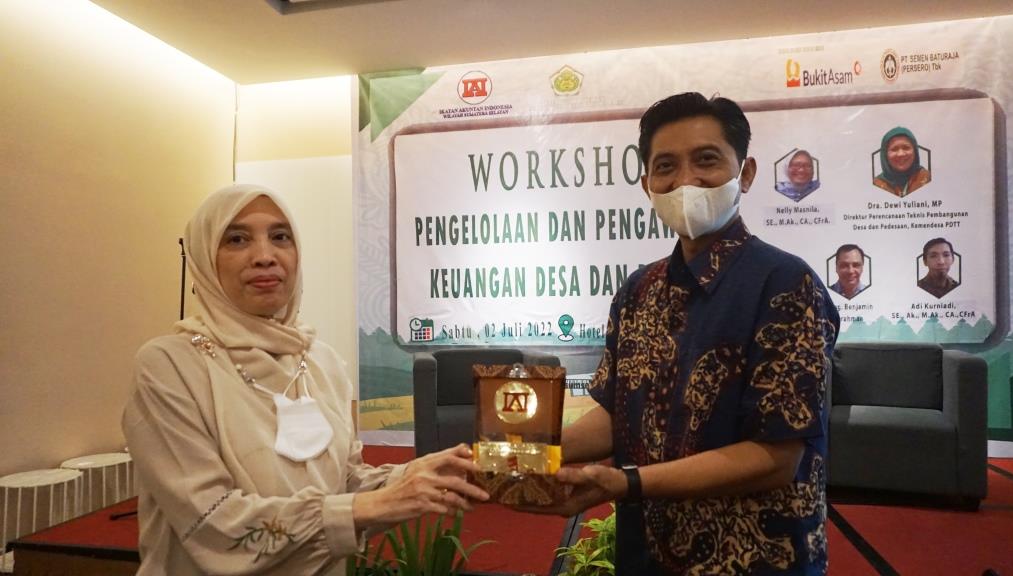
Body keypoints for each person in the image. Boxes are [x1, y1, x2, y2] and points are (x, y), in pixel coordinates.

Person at [524, 93, 839, 574]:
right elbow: (616, 412)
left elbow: (777, 455)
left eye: (706, 160)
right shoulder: (637, 291)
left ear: (746, 173)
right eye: (666, 166)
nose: (686, 180)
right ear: (647, 185)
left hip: (752, 559)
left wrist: (628, 483)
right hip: (646, 553)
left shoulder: (786, 285)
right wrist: (525, 456)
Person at [122, 184, 489, 575]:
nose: (265, 256)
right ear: (204, 259)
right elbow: (213, 523)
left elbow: (345, 483)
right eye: (237, 239)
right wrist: (371, 505)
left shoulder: (321, 362)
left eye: (280, 237)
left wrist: (412, 477)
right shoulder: (170, 366)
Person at [872, 126, 932, 197]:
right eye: (894, 149)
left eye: (906, 148)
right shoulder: (876, 184)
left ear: (915, 151)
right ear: (885, 154)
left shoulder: (928, 178)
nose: (901, 154)